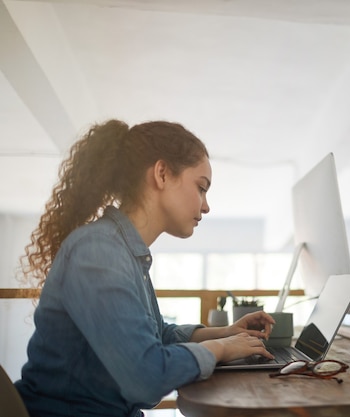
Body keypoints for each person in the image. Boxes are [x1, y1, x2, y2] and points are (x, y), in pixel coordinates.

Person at [14, 119, 276, 417]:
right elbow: (146, 377)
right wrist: (221, 349)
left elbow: (157, 335)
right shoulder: (98, 252)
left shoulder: (124, 251)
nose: (206, 206)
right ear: (162, 174)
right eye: (201, 188)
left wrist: (224, 333)